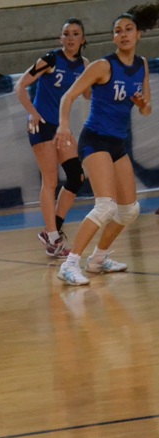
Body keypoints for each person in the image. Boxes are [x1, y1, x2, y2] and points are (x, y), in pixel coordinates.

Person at [55, 4, 159, 286]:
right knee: (105, 206)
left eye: (128, 30)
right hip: (95, 140)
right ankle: (69, 264)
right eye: (117, 31)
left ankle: (98, 259)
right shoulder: (104, 66)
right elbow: (68, 96)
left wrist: (142, 104)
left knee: (129, 210)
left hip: (117, 143)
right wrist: (63, 126)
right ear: (113, 37)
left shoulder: (142, 64)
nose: (123, 34)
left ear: (138, 34)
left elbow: (146, 110)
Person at [15, 18, 89, 259]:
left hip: (61, 127)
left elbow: (88, 95)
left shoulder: (84, 65)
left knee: (76, 177)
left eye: (75, 34)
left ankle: (51, 231)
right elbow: (20, 86)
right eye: (66, 34)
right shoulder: (50, 59)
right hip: (42, 125)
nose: (70, 38)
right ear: (61, 39)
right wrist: (33, 114)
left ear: (83, 39)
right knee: (50, 180)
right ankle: (53, 237)